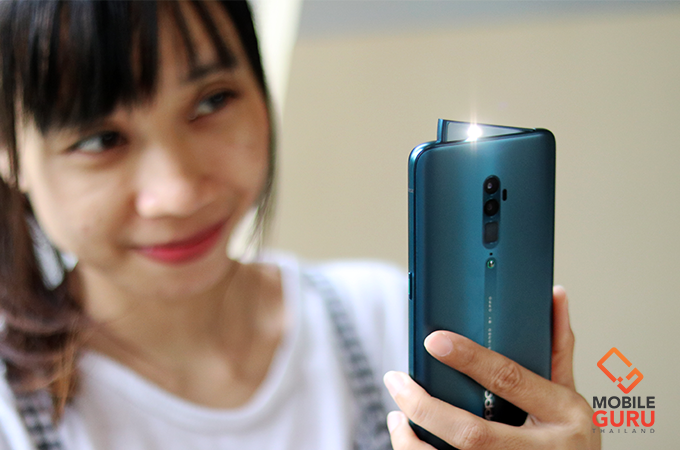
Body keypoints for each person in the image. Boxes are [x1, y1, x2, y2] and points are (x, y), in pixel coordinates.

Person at [0, 1, 599, 449]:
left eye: (211, 101)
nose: (178, 193)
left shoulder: (387, 321)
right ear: (8, 151)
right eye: (100, 139)